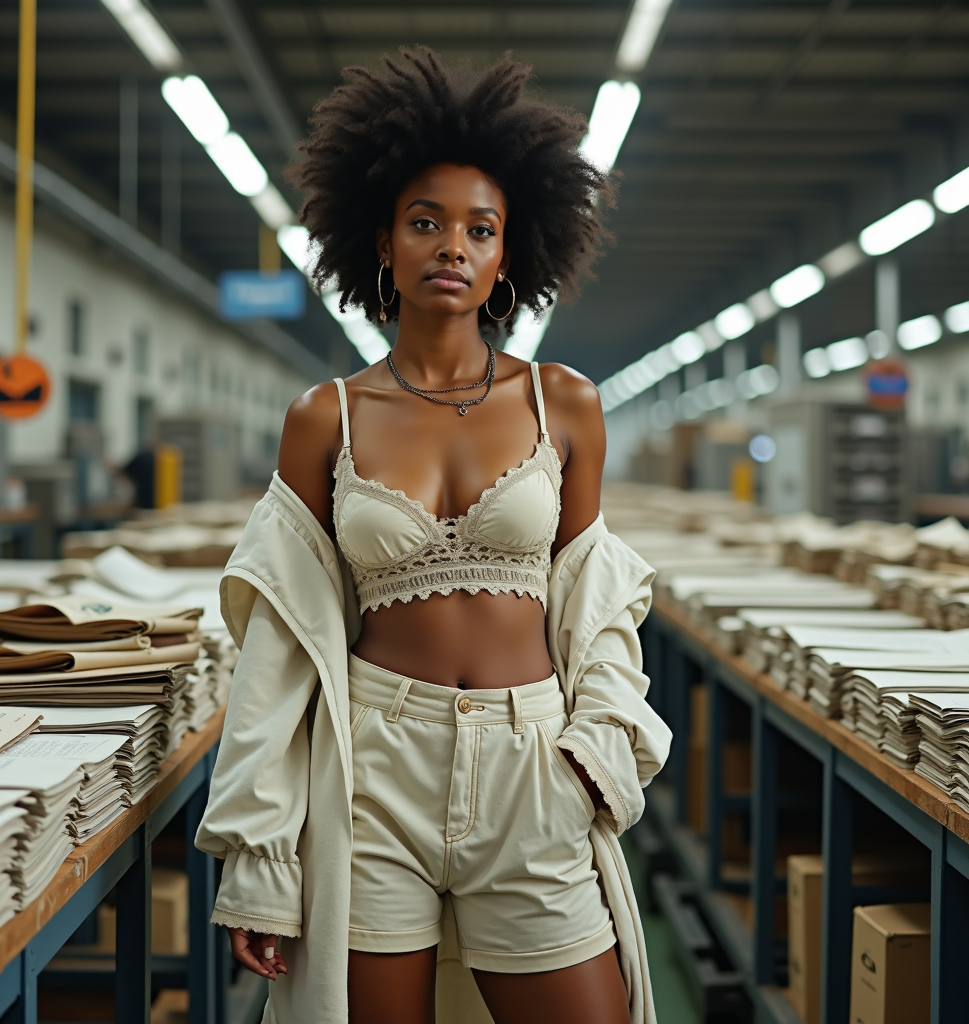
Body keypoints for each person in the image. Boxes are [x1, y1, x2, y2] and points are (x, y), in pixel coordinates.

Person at [196, 48, 672, 1024]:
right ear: (382, 242)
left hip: (531, 764)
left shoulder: (564, 405)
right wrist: (260, 850)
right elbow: (282, 644)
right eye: (425, 222)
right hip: (371, 769)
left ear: (509, 255)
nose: (451, 245)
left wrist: (594, 752)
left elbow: (597, 601)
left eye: (478, 229)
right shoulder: (322, 416)